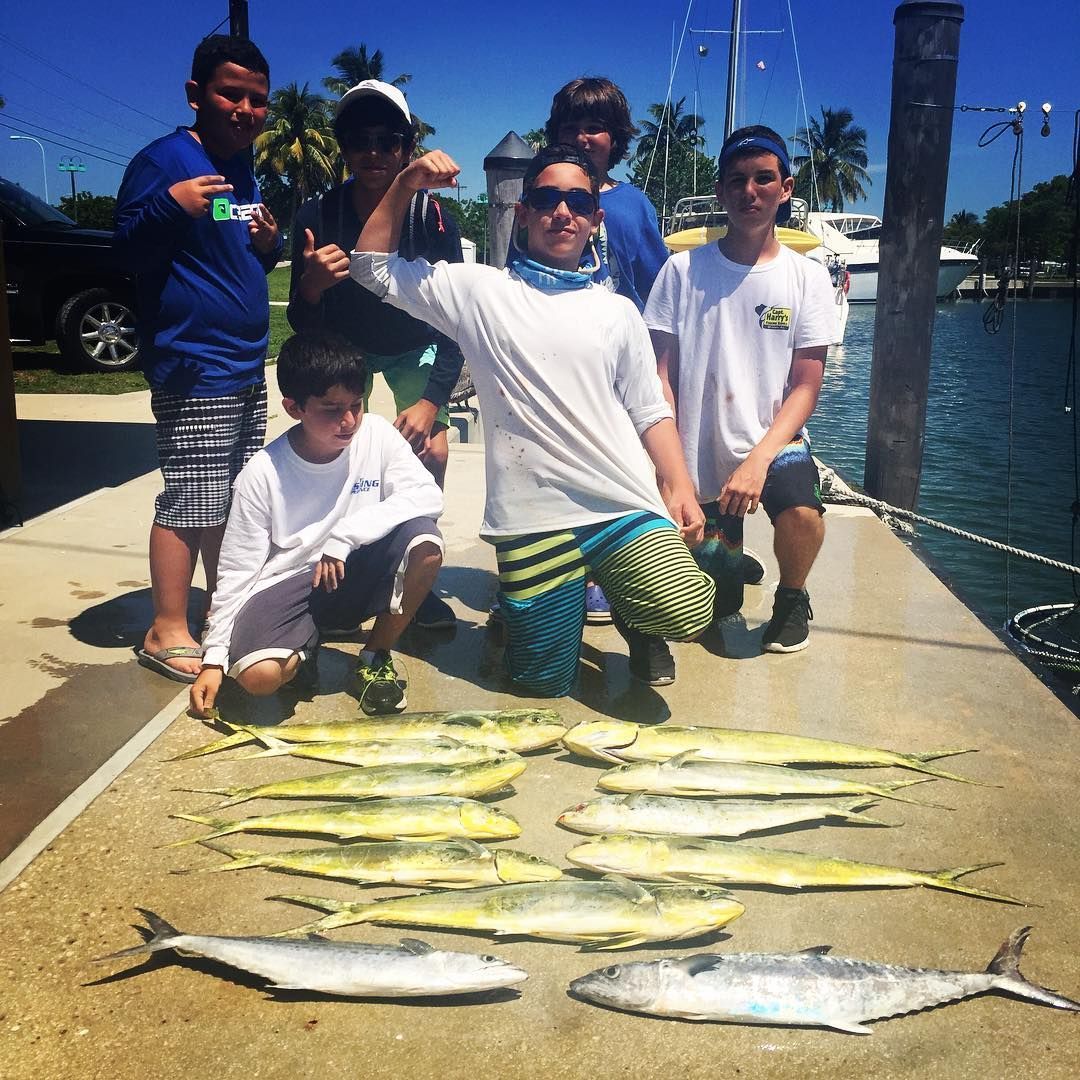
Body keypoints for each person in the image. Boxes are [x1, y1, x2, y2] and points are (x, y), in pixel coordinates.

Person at [350, 144, 716, 694]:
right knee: (543, 688)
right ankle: (522, 624)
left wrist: (679, 484)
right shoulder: (479, 292)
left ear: (596, 219)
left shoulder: (616, 310)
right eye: (546, 198)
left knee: (686, 609)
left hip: (618, 501)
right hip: (530, 517)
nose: (561, 212)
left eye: (577, 201)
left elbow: (649, 409)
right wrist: (404, 184)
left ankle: (617, 606)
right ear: (522, 213)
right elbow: (370, 270)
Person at [114, 34, 282, 684]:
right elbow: (126, 251)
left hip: (243, 366)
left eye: (256, 99)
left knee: (231, 500)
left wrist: (267, 244)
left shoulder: (239, 168)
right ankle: (166, 627)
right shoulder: (165, 162)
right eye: (230, 94)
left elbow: (224, 249)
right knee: (190, 499)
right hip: (194, 365)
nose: (245, 108)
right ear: (195, 94)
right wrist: (169, 204)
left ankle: (221, 608)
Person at [644, 125, 836, 653]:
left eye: (763, 179)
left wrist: (757, 462)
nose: (750, 192)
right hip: (696, 448)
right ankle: (724, 567)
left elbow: (805, 387)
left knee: (803, 514)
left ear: (786, 188)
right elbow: (659, 376)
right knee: (705, 612)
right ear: (721, 190)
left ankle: (792, 598)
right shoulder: (682, 271)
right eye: (737, 181)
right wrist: (670, 471)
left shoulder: (807, 278)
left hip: (775, 445)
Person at [189, 330, 444, 719]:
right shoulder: (261, 473)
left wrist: (346, 535)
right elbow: (237, 570)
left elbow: (429, 496)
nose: (348, 420)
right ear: (294, 408)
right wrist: (214, 657)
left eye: (356, 405)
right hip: (291, 581)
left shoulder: (376, 434)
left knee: (425, 541)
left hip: (354, 567)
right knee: (259, 679)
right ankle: (301, 649)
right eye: (331, 408)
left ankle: (375, 656)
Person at [287, 79, 463, 631]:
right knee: (337, 453)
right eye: (358, 139)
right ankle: (340, 573)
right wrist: (312, 287)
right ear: (341, 146)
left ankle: (412, 570)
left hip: (416, 344)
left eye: (388, 141)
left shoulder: (433, 220)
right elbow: (301, 326)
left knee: (431, 453)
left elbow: (456, 323)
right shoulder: (317, 214)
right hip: (347, 348)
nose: (373, 152)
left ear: (407, 150)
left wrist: (433, 401)